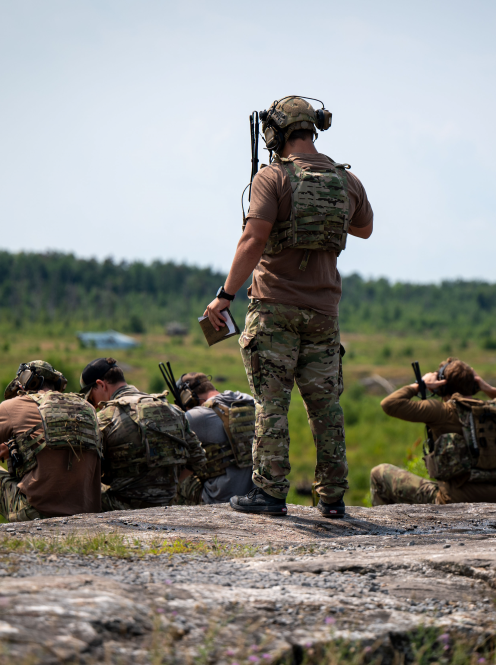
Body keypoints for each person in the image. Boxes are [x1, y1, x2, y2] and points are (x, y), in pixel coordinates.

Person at [202, 95, 374, 518]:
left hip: (275, 307)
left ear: (275, 133)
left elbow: (253, 239)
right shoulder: (345, 180)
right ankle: (332, 497)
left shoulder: (272, 177)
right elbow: (365, 228)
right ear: (312, 129)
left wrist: (225, 294)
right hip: (324, 312)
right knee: (325, 407)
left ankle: (270, 492)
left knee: (272, 403)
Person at [370, 358, 496, 505]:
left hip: (454, 502)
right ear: (474, 385)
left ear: (442, 386)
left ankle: (386, 529)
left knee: (379, 473)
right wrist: (487, 388)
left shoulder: (443, 412)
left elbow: (389, 404)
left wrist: (420, 384)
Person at [0, 361, 102, 528]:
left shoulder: (12, 406)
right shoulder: (88, 408)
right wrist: (18, 449)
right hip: (87, 513)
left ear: (25, 384)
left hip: (37, 513)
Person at [79, 358, 207, 510]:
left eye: (91, 396)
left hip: (122, 506)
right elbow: (198, 457)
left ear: (101, 384)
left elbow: (88, 470)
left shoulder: (105, 418)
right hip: (167, 502)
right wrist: (164, 488)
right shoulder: (171, 409)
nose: (93, 404)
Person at [177, 372, 258, 504]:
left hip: (221, 500)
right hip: (256, 495)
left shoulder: (197, 416)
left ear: (188, 398)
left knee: (174, 479)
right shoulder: (248, 401)